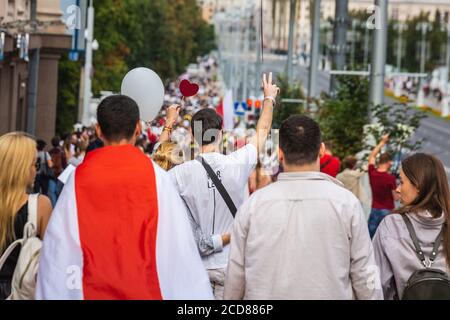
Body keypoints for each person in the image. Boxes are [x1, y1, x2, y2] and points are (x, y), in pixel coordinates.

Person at [36, 95, 212, 300]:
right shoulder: (158, 179)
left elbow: (58, 252)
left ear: (99, 131)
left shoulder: (77, 179)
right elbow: (179, 247)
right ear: (138, 128)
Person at [223, 115, 383, 300]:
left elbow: (235, 277)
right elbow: (367, 273)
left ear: (280, 153)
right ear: (322, 150)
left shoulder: (253, 206)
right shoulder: (347, 204)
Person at [169, 73, 279, 299]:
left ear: (192, 134)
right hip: (232, 263)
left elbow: (157, 168)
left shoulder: (179, 175)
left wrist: (168, 125)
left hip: (194, 265)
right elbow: (262, 132)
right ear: (221, 133)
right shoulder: (237, 163)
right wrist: (268, 98)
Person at [373, 153, 450, 299]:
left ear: (418, 185)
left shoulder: (392, 225)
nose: (397, 189)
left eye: (401, 182)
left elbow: (376, 285)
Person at [0, 132, 52, 299]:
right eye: (34, 164)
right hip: (19, 293)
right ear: (21, 167)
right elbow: (52, 262)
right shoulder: (40, 205)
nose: (36, 170)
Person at [367, 134, 398, 238]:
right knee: (385, 238)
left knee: (370, 237)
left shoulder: (372, 173)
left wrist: (382, 142)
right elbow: (396, 197)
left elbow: (371, 157)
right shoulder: (391, 178)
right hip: (387, 211)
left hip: (374, 209)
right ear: (389, 162)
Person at [48, 136, 67, 207]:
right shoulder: (62, 152)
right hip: (61, 173)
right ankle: (59, 206)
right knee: (59, 191)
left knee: (52, 192)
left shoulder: (49, 152)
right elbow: (65, 163)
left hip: (52, 173)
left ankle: (54, 207)